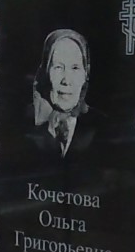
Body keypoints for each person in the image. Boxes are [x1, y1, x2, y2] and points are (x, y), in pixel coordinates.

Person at [26, 28, 112, 161]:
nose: (66, 81)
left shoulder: (103, 126)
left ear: (85, 74)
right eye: (58, 67)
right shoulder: (25, 123)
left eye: (75, 68)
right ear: (46, 72)